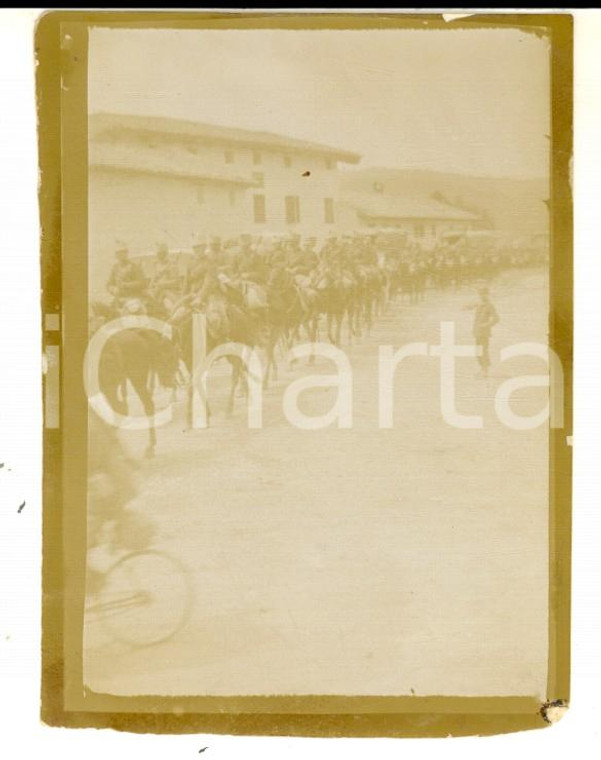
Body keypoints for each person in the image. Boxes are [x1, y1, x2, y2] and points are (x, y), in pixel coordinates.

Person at [466, 286, 500, 378]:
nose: (481, 295)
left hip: (484, 332)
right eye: (480, 293)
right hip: (478, 331)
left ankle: (485, 371)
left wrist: (486, 325)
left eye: (483, 293)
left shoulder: (489, 305)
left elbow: (496, 319)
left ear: (487, 294)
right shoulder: (479, 304)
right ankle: (482, 369)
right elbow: (468, 307)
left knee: (483, 351)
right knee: (478, 351)